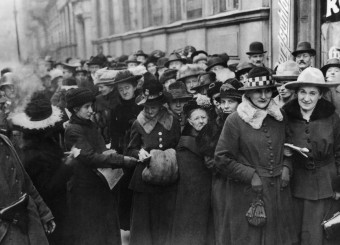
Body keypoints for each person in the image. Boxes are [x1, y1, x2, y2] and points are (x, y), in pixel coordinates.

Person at [214, 66, 297, 245]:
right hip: (248, 194)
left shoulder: (279, 116)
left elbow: (289, 148)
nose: (263, 96)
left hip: (278, 194)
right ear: (248, 94)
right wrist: (250, 175)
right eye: (257, 91)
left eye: (267, 91)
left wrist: (287, 167)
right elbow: (221, 159)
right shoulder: (235, 120)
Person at [64, 87, 138, 245]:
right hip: (86, 193)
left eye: (91, 106)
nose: (91, 111)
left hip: (100, 186)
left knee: (106, 232)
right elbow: (90, 157)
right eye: (86, 107)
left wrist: (108, 151)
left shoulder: (87, 125)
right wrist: (121, 160)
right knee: (94, 234)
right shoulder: (73, 130)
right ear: (75, 109)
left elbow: (99, 150)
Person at [283, 67, 340, 245]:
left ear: (320, 95)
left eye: (312, 93)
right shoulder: (285, 115)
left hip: (326, 185)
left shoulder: (332, 117)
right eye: (302, 92)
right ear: (296, 92)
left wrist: (339, 185)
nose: (306, 98)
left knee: (321, 235)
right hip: (294, 184)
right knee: (294, 234)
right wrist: (284, 152)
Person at [127, 72, 181, 245]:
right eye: (146, 106)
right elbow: (131, 148)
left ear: (161, 105)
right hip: (144, 178)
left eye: (154, 106)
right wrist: (139, 153)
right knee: (144, 224)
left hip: (168, 177)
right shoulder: (138, 122)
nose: (149, 110)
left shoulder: (172, 120)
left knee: (165, 221)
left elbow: (179, 144)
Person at [10, 92, 71, 245]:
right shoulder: (35, 154)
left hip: (54, 206)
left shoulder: (43, 144)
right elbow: (47, 187)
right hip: (49, 210)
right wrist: (67, 166)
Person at [170, 97, 214, 245]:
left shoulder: (212, 138)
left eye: (203, 117)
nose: (201, 121)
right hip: (190, 192)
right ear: (189, 122)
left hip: (207, 191)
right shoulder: (185, 143)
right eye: (196, 118)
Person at [0, 132, 55, 245]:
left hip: (30, 218)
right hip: (7, 229)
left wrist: (44, 213)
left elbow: (25, 181)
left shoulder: (4, 140)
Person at [109, 70, 143, 231]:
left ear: (135, 86)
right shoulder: (116, 110)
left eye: (127, 87)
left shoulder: (142, 106)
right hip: (123, 156)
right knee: (125, 193)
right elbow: (113, 133)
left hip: (140, 152)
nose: (124, 91)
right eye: (121, 88)